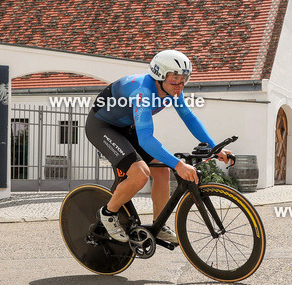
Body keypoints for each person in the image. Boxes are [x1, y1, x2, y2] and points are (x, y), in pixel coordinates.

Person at [85, 49, 231, 243]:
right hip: (102, 126)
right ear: (159, 76)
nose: (179, 85)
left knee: (162, 171)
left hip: (126, 127)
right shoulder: (143, 92)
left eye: (184, 80)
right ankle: (108, 214)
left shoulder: (172, 90)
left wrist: (215, 148)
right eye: (175, 79)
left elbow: (189, 118)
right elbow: (146, 139)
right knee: (140, 174)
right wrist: (179, 165)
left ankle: (158, 225)